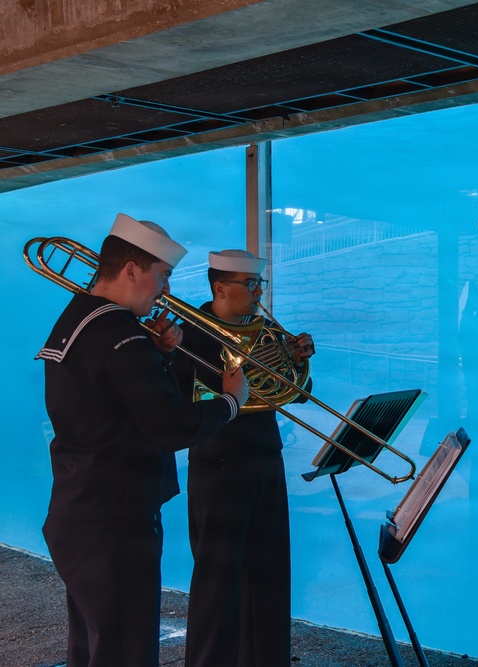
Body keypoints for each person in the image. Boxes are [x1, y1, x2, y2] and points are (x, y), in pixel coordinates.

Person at [37, 213, 249, 667]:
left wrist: (161, 356)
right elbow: (171, 427)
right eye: (163, 275)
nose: (166, 291)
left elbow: (112, 402)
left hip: (80, 512)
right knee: (125, 653)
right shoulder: (119, 334)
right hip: (116, 523)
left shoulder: (80, 316)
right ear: (132, 270)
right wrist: (231, 401)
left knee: (94, 649)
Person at [172, 249, 315, 667]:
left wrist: (296, 360)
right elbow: (177, 402)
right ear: (219, 287)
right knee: (217, 586)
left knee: (270, 579)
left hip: (266, 461)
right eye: (250, 284)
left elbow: (297, 392)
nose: (258, 293)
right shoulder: (189, 334)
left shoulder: (266, 330)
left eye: (260, 284)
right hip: (216, 467)